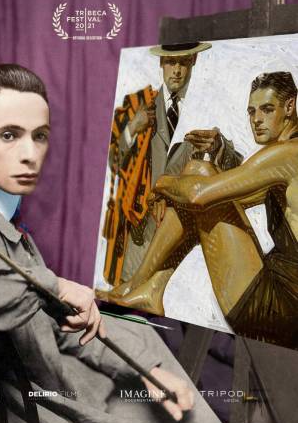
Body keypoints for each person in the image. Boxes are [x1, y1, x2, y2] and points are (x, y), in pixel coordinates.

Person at [0, 64, 223, 423]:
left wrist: (146, 367)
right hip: (16, 412)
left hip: (50, 388)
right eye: (9, 135)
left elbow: (52, 329)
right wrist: (54, 285)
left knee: (145, 341)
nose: (30, 153)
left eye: (40, 136)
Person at [107, 72, 298, 349]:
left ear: (290, 106)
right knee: (200, 184)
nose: (256, 119)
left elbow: (198, 195)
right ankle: (147, 287)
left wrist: (161, 184)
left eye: (267, 109)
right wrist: (217, 152)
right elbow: (234, 198)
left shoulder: (287, 155)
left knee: (198, 175)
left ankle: (139, 285)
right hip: (285, 306)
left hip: (279, 311)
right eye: (251, 112)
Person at [102, 41, 242, 289]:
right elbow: (111, 162)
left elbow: (238, 169)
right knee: (125, 294)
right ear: (161, 63)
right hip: (139, 231)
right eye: (170, 62)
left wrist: (219, 146)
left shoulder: (210, 108)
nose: (177, 70)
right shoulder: (139, 104)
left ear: (194, 62)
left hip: (181, 238)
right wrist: (132, 128)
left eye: (184, 62)